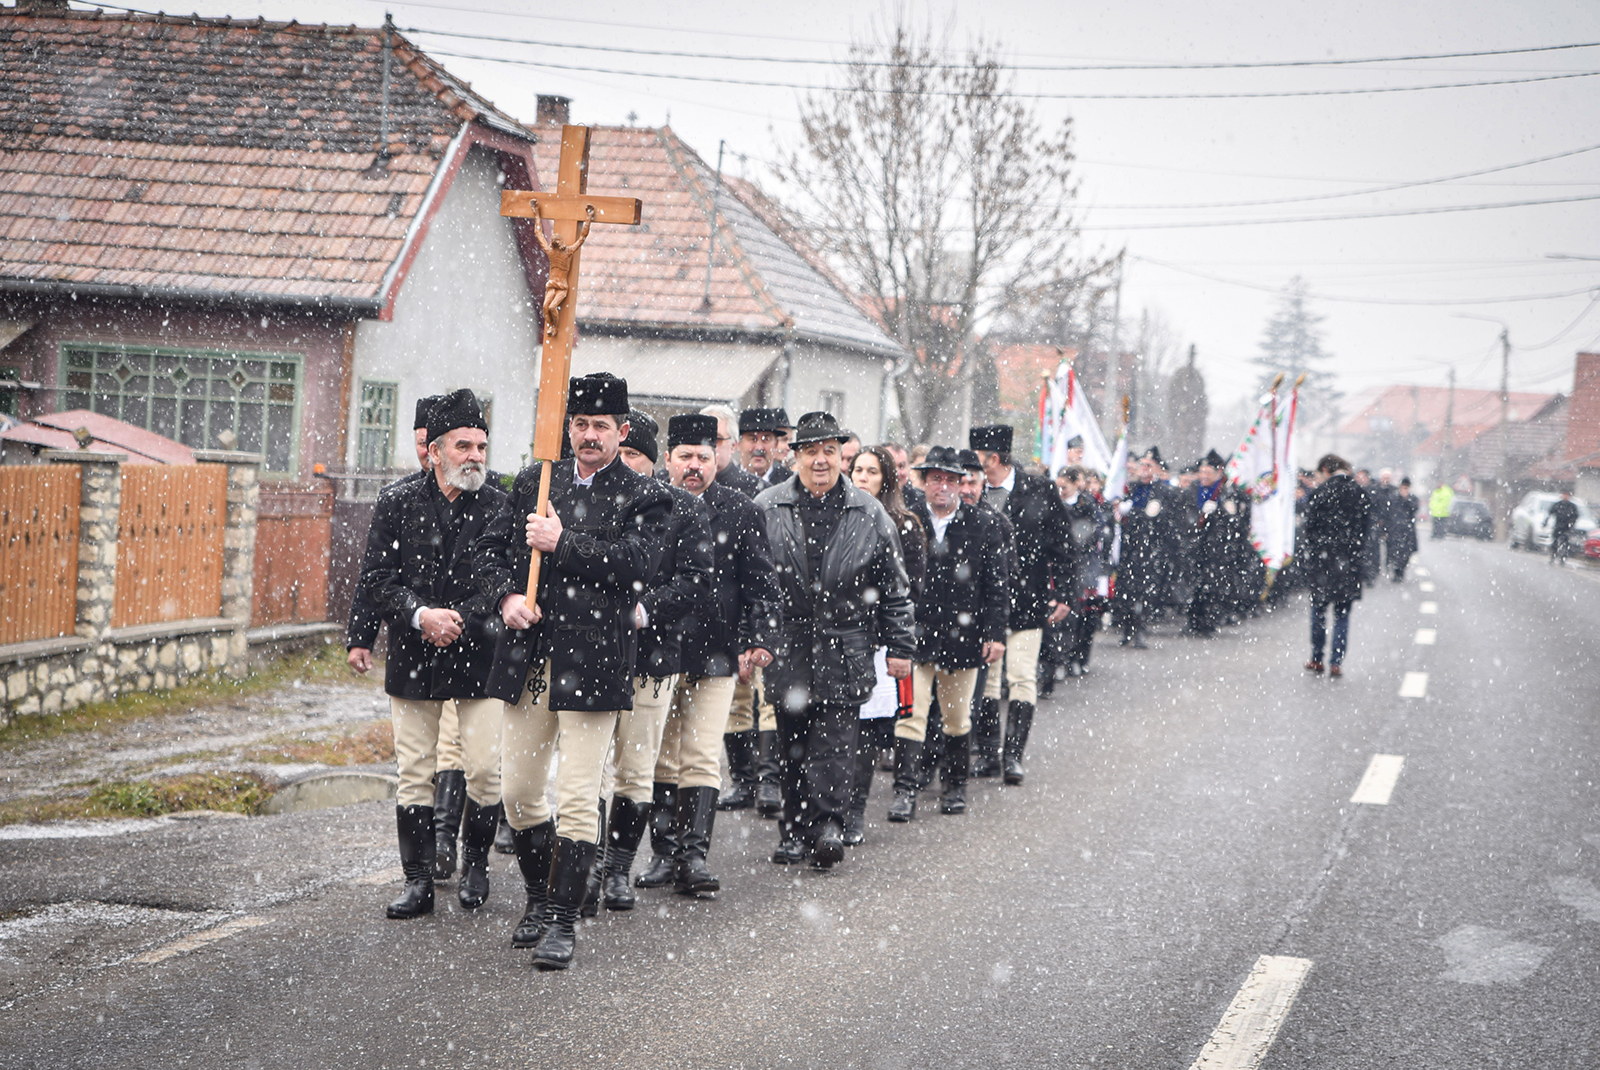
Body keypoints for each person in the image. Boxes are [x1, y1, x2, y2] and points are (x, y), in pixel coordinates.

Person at [477, 373, 673, 971]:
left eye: (602, 427)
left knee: (580, 792)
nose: (590, 436)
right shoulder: (538, 481)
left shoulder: (644, 493)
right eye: (581, 425)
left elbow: (638, 566)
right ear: (568, 427)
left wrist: (566, 542)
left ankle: (563, 920)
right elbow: (488, 552)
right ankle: (538, 897)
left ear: (622, 432)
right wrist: (506, 598)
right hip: (529, 657)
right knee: (518, 792)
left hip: (595, 661)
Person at [355, 389, 507, 920]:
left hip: (479, 654)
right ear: (436, 450)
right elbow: (377, 578)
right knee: (415, 772)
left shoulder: (498, 503)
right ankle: (417, 882)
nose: (475, 457)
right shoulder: (398, 501)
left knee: (486, 770)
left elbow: (501, 578)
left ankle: (477, 865)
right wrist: (422, 615)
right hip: (414, 654)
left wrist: (459, 617)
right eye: (463, 446)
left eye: (481, 446)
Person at [756, 412, 915, 870]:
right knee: (791, 739)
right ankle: (793, 828)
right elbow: (753, 583)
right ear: (796, 456)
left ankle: (828, 826)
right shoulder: (768, 506)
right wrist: (753, 638)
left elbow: (895, 587)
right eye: (811, 451)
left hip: (847, 643)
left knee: (837, 740)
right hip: (789, 641)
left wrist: (901, 647)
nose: (821, 460)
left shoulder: (868, 511)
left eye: (829, 450)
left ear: (840, 455)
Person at [641, 415, 779, 896]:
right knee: (660, 755)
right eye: (685, 457)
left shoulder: (741, 511)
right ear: (668, 459)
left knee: (700, 754)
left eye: (703, 456)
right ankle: (662, 853)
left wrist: (757, 639)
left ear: (715, 457)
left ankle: (693, 856)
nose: (694, 466)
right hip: (659, 649)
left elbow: (762, 583)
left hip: (719, 650)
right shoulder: (649, 505)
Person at [600, 412, 714, 909]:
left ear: (651, 462)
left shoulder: (683, 510)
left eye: (633, 456)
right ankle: (587, 861)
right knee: (590, 768)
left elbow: (693, 579)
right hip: (596, 653)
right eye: (621, 454)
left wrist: (645, 610)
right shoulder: (596, 499)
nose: (625, 464)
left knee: (636, 764)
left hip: (652, 654)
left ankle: (618, 868)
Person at [890, 446, 1007, 819]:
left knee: (957, 718)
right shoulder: (908, 523)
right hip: (914, 638)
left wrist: (994, 634)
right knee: (910, 713)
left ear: (962, 484)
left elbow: (995, 586)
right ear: (923, 482)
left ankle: (954, 787)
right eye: (935, 478)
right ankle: (905, 790)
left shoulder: (982, 525)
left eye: (951, 480)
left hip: (963, 638)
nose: (943, 487)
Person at [970, 424, 1076, 786]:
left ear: (995, 459)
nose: (972, 466)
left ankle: (1013, 756)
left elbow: (1063, 545)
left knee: (1021, 677)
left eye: (978, 459)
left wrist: (1064, 592)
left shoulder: (1039, 490)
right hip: (985, 605)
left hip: (1028, 600)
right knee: (986, 683)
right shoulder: (972, 492)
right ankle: (987, 754)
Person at [846, 444, 926, 842]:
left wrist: (897, 642)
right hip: (840, 637)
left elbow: (908, 590)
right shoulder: (841, 515)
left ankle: (854, 811)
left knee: (867, 731)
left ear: (887, 479)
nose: (861, 477)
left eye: (871, 471)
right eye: (857, 469)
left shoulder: (903, 524)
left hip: (876, 642)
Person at [957, 448, 1016, 778]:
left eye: (973, 482)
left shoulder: (997, 523)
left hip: (977, 626)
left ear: (983, 485)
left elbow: (1004, 582)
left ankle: (970, 761)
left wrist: (995, 630)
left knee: (971, 701)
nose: (966, 489)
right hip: (941, 625)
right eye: (961, 481)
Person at [1302, 454, 1370, 679]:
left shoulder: (1320, 493)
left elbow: (1309, 528)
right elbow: (1365, 529)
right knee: (1342, 614)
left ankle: (1316, 657)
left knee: (1319, 610)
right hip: (1348, 562)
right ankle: (1336, 661)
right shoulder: (1359, 493)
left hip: (1323, 562)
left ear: (1325, 470)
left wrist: (1317, 549)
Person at [1113, 447, 1183, 649]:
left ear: (1157, 469)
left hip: (1151, 548)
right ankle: (1126, 628)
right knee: (1126, 591)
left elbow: (1158, 519)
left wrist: (1133, 513)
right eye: (1142, 464)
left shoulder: (1163, 491)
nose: (1143, 469)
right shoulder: (1130, 488)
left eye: (1148, 465)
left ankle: (1140, 629)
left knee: (1144, 592)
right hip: (1129, 547)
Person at [1180, 449, 1249, 636]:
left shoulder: (1225, 493)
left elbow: (1234, 522)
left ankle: (1207, 623)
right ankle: (1192, 622)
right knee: (1193, 587)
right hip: (1194, 547)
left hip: (1215, 550)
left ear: (1218, 473)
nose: (1204, 476)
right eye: (1202, 472)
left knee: (1212, 589)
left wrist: (1218, 511)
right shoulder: (1192, 491)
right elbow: (1183, 517)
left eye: (1208, 473)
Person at [703, 403, 761, 497]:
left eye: (717, 440)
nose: (709, 446)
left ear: (733, 445)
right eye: (704, 439)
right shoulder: (679, 482)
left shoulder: (754, 489)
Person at [737, 407, 792, 488]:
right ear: (738, 444)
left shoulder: (790, 483)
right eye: (753, 439)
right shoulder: (724, 482)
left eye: (766, 439)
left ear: (776, 444)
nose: (759, 448)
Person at [1388, 478, 1419, 580]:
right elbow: (1389, 511)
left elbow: (1414, 509)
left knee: (1406, 553)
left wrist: (1406, 499)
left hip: (1408, 530)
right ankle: (1396, 571)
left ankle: (1401, 570)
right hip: (1395, 529)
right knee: (1394, 552)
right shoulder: (1394, 498)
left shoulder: (1413, 498)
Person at [1549, 490, 1580, 566]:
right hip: (1558, 526)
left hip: (1567, 527)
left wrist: (1572, 524)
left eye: (1567, 495)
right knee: (1555, 542)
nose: (1565, 496)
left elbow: (1576, 516)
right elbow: (1551, 512)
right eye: (1564, 495)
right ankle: (1553, 556)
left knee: (1565, 543)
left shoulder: (1572, 506)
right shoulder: (1558, 504)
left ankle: (1563, 558)